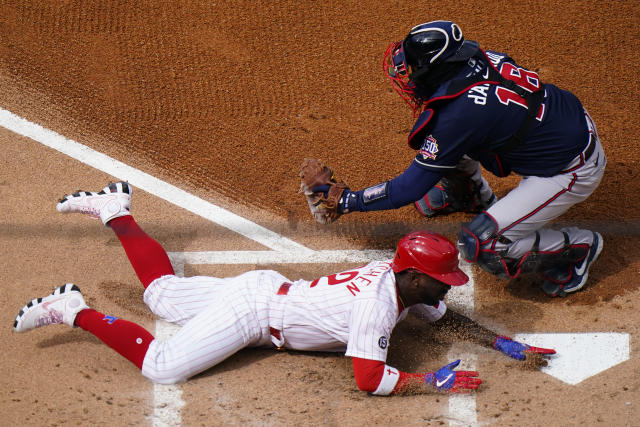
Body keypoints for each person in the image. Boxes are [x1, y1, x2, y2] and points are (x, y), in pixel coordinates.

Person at [14, 182, 554, 395]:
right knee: (161, 366)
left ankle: (114, 210)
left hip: (264, 292)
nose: (447, 291)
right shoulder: (377, 306)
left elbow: (448, 317)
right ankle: (74, 309)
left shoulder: (404, 286)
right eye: (443, 283)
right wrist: (429, 381)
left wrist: (504, 343)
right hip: (253, 314)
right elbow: (369, 379)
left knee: (160, 294)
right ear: (415, 276)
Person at [310, 20, 606, 297]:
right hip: (564, 126)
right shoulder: (481, 59)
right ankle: (467, 194)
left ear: (435, 68)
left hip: (569, 169)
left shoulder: (459, 115)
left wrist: (351, 201)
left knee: (480, 243)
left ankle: (576, 250)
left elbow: (409, 189)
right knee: (450, 145)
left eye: (413, 68)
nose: (409, 76)